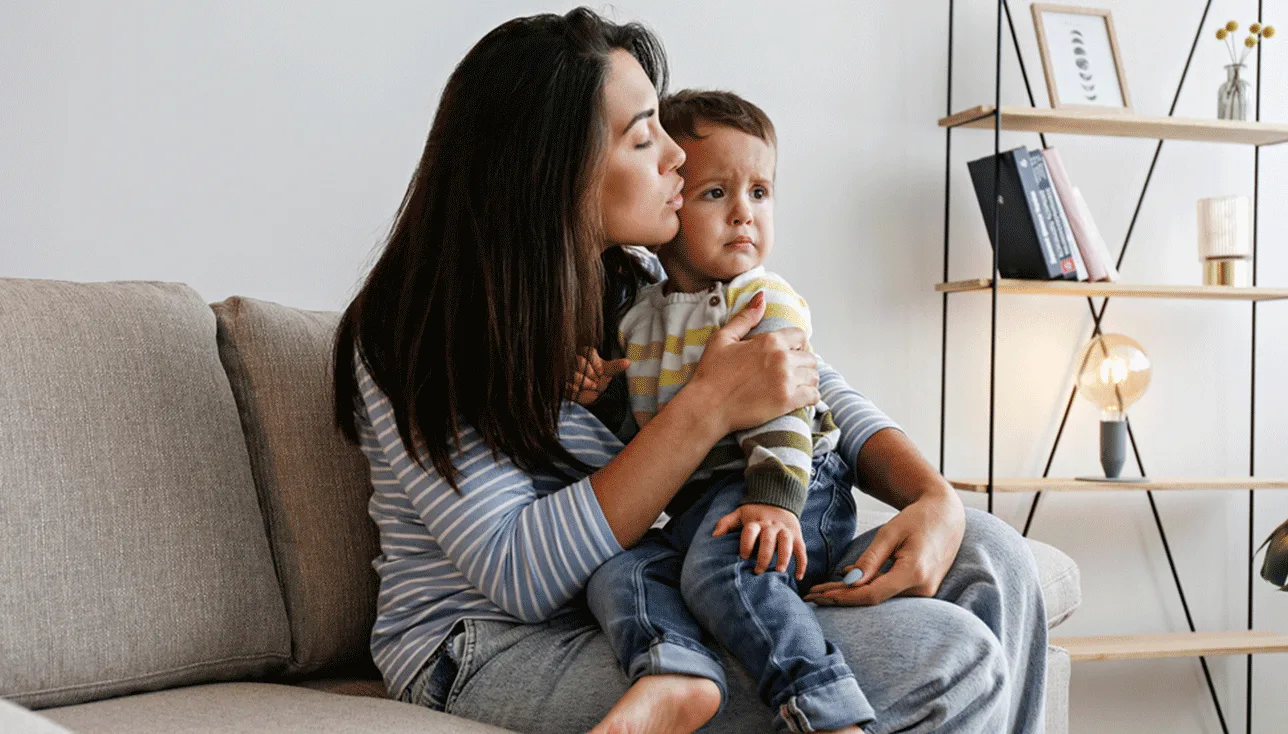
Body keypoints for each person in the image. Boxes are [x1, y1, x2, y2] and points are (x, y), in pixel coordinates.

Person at [331, 8, 1048, 733]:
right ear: (553, 171)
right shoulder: (412, 330)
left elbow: (797, 370)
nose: (677, 156)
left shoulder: (635, 280)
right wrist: (706, 405)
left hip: (655, 588)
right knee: (945, 655)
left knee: (995, 558)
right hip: (492, 644)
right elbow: (520, 575)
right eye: (643, 137)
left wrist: (932, 497)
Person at [574, 89, 881, 733]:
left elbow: (792, 408)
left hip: (792, 482)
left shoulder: (765, 298)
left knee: (722, 567)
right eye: (717, 194)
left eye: (760, 194)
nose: (744, 214)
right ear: (672, 195)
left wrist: (774, 499)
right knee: (616, 571)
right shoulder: (638, 319)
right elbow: (644, 434)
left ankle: (826, 709)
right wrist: (601, 395)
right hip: (698, 500)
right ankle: (675, 670)